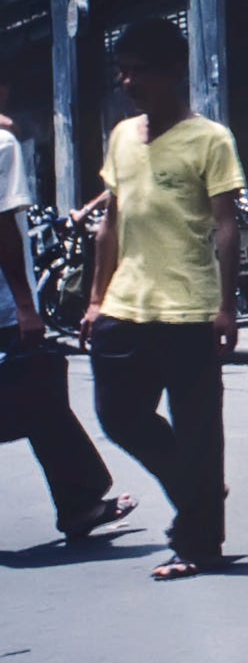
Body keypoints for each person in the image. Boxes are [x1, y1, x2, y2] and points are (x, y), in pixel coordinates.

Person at [82, 19, 245, 582]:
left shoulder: (210, 139)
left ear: (174, 71)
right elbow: (112, 220)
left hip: (190, 308)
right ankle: (196, 487)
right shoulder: (123, 135)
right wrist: (96, 298)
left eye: (139, 70)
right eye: (122, 70)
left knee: (199, 427)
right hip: (126, 305)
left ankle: (200, 540)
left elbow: (227, 227)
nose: (128, 81)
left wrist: (227, 306)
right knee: (118, 415)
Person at [1, 118, 136, 546]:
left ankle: (80, 501)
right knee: (40, 401)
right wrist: (25, 304)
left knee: (42, 405)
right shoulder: (3, 145)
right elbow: (3, 227)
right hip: (5, 307)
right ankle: (79, 501)